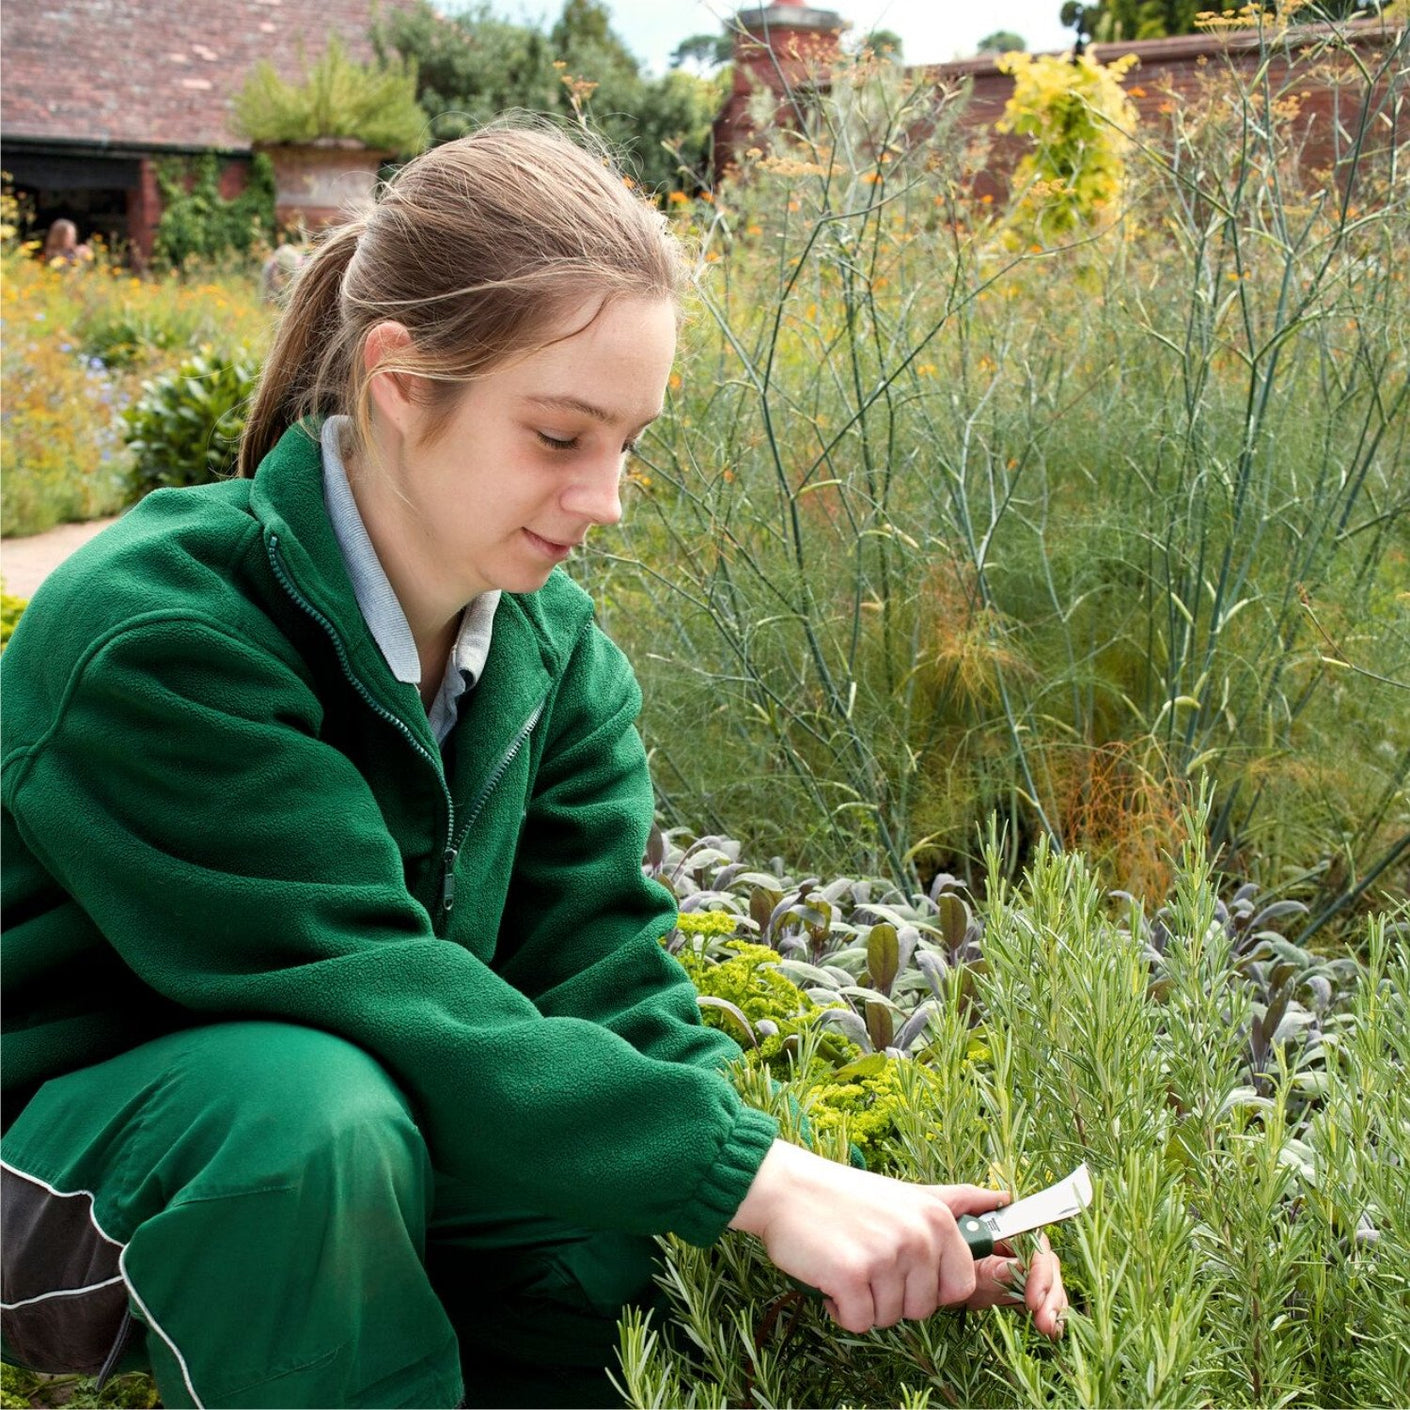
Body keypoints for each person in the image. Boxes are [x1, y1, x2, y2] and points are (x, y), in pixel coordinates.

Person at [0, 122, 1066, 1410]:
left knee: (613, 1204)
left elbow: (601, 971)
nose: (606, 497)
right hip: (55, 1163)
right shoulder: (163, 634)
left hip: (350, 1119)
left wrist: (834, 1196)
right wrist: (756, 1185)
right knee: (310, 1116)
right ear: (400, 379)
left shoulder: (549, 650)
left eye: (631, 443)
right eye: (562, 437)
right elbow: (373, 989)